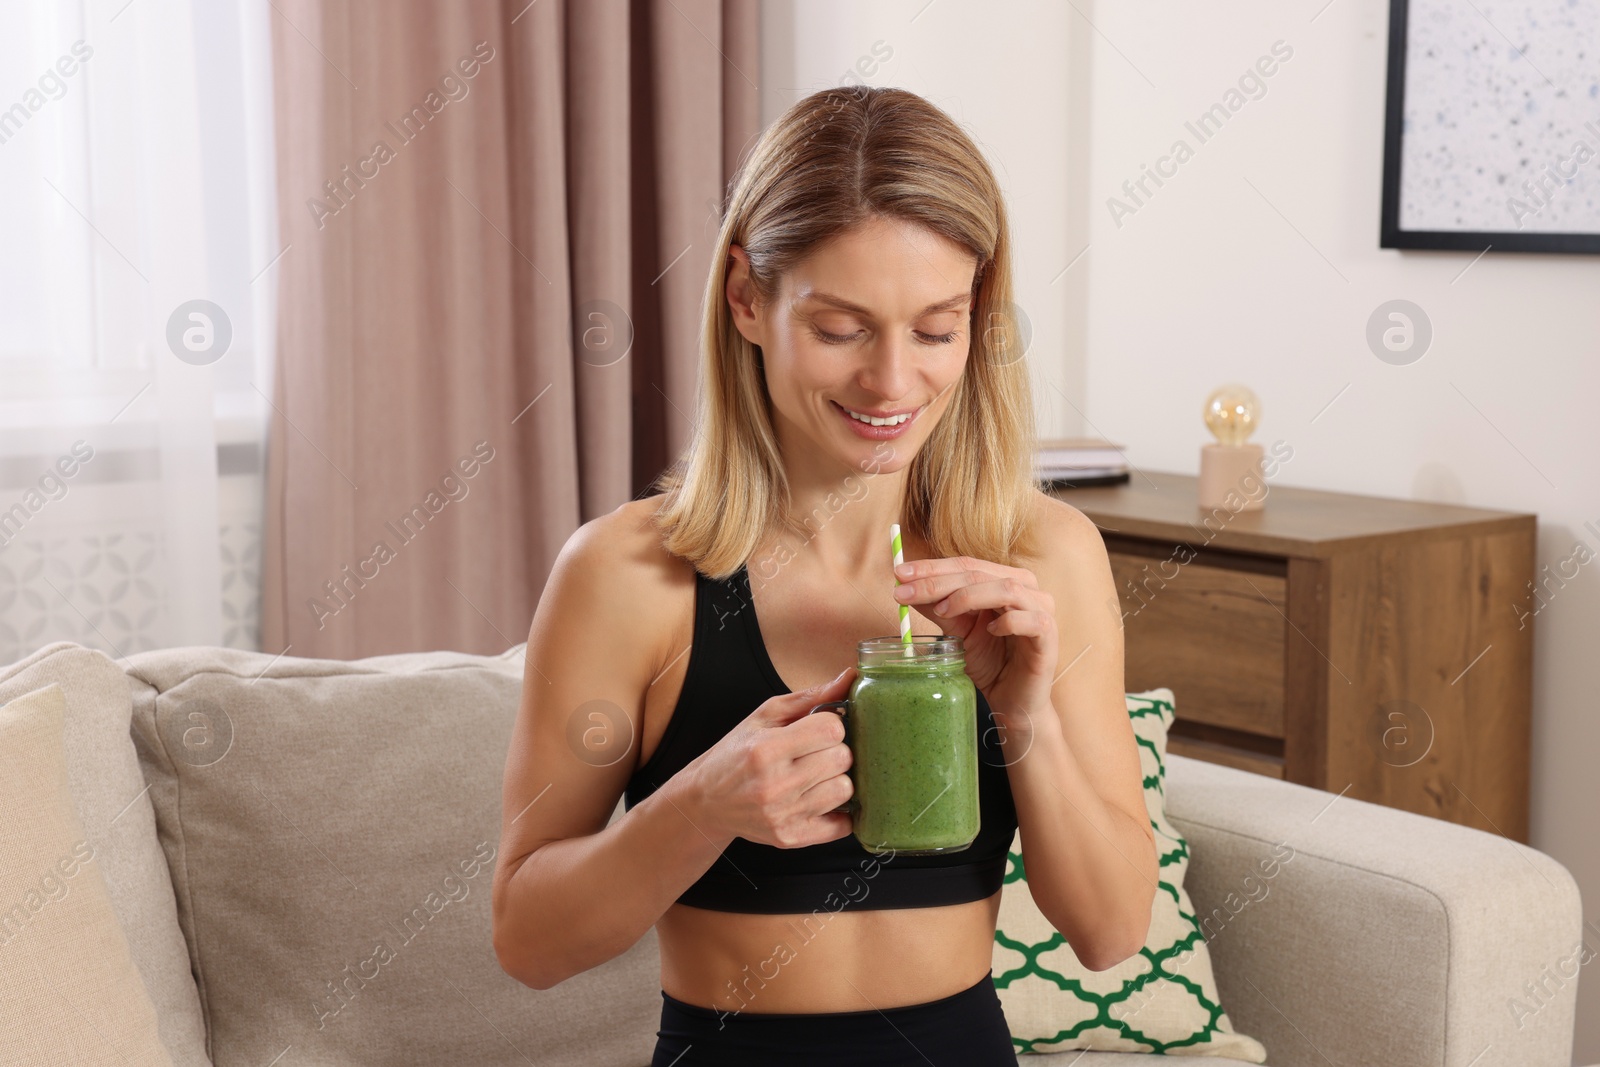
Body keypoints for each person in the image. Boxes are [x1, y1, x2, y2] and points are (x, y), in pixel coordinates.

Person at [492, 85, 1157, 1067]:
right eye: (842, 328)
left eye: (935, 330)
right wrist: (698, 804)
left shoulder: (1044, 554)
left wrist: (1027, 724)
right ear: (746, 299)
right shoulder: (628, 575)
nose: (891, 383)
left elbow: (1109, 932)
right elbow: (528, 940)